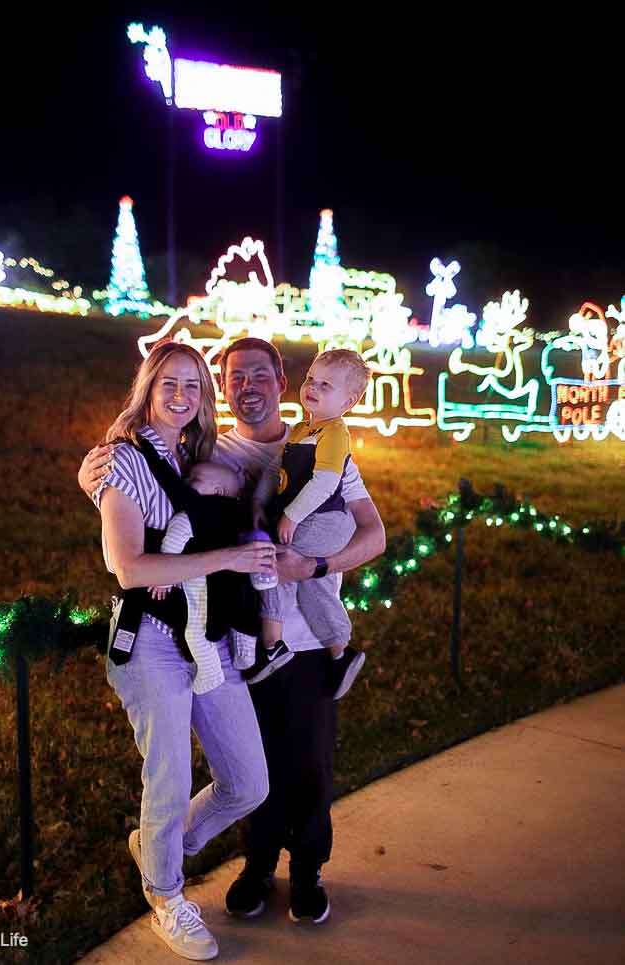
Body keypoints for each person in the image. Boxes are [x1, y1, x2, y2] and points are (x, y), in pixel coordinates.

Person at [79, 337, 385, 927]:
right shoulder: (209, 452)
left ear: (280, 380)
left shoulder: (321, 447)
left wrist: (314, 566)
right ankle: (256, 868)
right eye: (233, 377)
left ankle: (307, 874)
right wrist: (91, 474)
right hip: (240, 642)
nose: (247, 387)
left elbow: (374, 537)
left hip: (304, 640)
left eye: (258, 375)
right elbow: (149, 489)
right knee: (251, 769)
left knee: (309, 768)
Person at [95, 340, 274, 960]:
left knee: (248, 781)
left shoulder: (198, 455)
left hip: (210, 637)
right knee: (168, 778)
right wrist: (229, 556)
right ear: (147, 387)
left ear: (204, 399)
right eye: (168, 383)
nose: (179, 395)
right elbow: (128, 566)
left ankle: (159, 843)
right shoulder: (121, 460)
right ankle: (167, 895)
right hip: (149, 639)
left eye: (193, 386)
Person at [247, 349, 371, 700]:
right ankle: (339, 651)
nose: (312, 388)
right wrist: (259, 499)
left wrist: (290, 516)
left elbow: (325, 483)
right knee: (309, 582)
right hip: (313, 518)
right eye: (310, 380)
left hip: (327, 519)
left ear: (349, 400)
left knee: (273, 559)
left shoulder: (334, 433)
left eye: (325, 385)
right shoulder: (304, 429)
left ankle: (272, 644)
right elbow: (276, 470)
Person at [148, 460, 260, 694]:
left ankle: (210, 671)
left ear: (217, 491)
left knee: (196, 629)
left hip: (204, 584)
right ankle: (246, 653)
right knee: (242, 613)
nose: (187, 482)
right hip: (237, 582)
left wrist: (165, 577)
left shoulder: (196, 511)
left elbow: (175, 538)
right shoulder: (239, 513)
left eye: (194, 479)